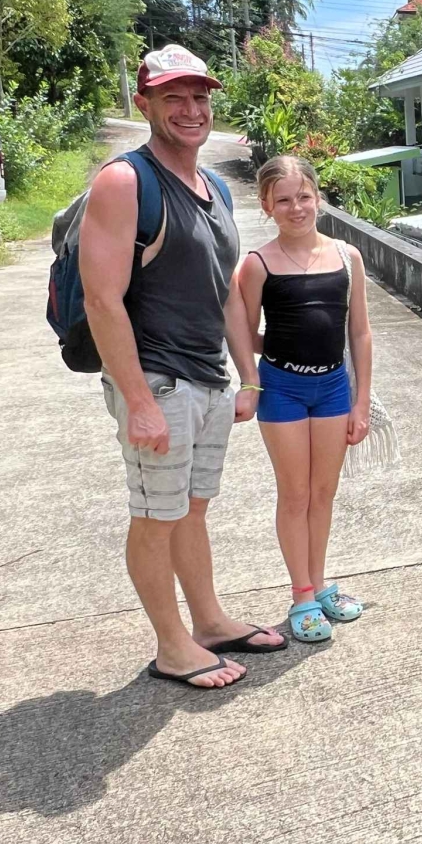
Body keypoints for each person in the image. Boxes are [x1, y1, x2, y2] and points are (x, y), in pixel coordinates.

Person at [80, 45, 286, 690]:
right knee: (156, 514)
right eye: (174, 98)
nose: (191, 110)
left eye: (200, 97)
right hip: (158, 380)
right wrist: (138, 399)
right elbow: (101, 299)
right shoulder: (123, 181)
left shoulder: (216, 186)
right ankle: (172, 646)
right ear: (144, 105)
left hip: (208, 378)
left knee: (192, 510)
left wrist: (245, 373)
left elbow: (224, 290)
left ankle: (209, 621)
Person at [234, 156, 372, 643]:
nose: (297, 207)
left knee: (323, 493)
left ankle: (317, 582)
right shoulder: (258, 263)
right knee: (295, 494)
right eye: (285, 200)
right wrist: (255, 377)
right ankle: (301, 595)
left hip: (333, 387)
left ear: (318, 196)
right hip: (283, 389)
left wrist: (361, 402)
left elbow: (360, 334)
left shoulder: (346, 257)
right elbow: (240, 328)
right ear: (267, 205)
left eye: (305, 196)